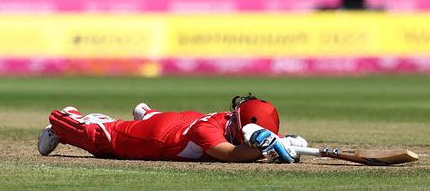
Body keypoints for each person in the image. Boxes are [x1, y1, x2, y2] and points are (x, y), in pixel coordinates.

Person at [38, 94, 308, 163]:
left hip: (181, 122)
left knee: (159, 120)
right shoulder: (208, 132)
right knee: (101, 141)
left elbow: (270, 139)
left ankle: (146, 113)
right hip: (160, 138)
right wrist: (265, 151)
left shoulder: (234, 121)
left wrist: (289, 144)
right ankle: (70, 119)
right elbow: (232, 155)